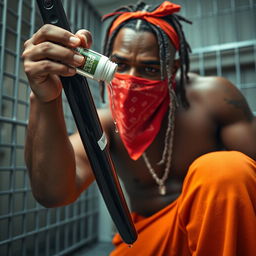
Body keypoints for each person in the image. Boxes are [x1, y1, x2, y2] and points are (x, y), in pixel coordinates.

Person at [22, 1, 256, 255]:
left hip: (218, 233)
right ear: (105, 63)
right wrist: (46, 100)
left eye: (150, 68)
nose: (132, 80)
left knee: (225, 168)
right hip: (148, 239)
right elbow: (53, 194)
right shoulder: (106, 124)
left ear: (173, 69)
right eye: (120, 66)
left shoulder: (213, 97)